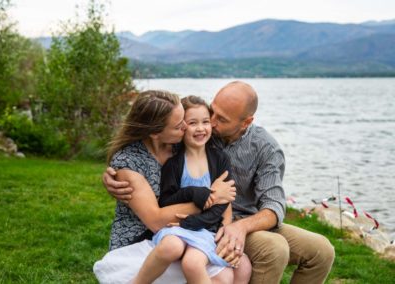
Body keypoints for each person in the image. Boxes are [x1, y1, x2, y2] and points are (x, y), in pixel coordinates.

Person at [103, 81, 336, 284]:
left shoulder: (265, 147)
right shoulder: (192, 132)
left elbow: (274, 206)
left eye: (220, 119)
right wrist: (113, 176)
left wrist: (239, 227)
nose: (211, 123)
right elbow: (156, 132)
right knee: (274, 249)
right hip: (207, 219)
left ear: (246, 122)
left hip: (244, 219)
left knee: (322, 251)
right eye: (211, 112)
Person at [93, 90, 237, 284]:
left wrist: (225, 222)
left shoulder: (178, 143)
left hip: (184, 235)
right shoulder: (130, 161)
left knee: (227, 274)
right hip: (141, 240)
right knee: (196, 263)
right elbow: (155, 221)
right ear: (155, 132)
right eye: (180, 125)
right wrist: (212, 197)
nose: (186, 127)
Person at [133, 96, 251, 284]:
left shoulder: (220, 159)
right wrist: (194, 193)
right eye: (193, 123)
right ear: (182, 127)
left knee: (198, 263)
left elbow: (223, 202)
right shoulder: (174, 163)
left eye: (205, 122)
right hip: (177, 230)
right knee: (173, 247)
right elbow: (166, 201)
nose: (201, 128)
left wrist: (194, 222)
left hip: (204, 228)